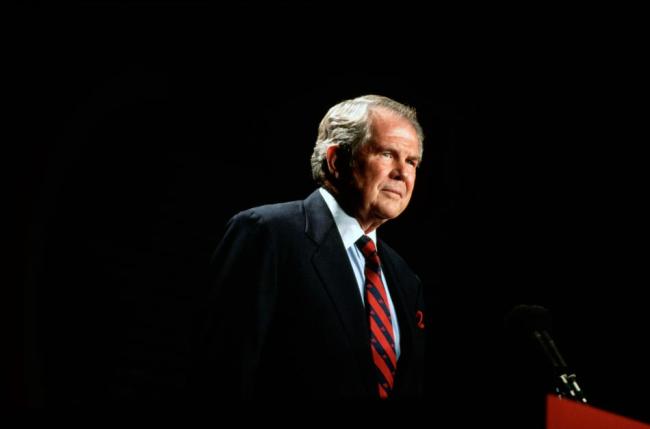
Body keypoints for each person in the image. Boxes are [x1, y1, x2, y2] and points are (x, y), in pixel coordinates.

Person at [199, 94, 426, 400]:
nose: (403, 173)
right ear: (336, 160)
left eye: (412, 161)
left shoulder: (405, 279)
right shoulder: (268, 234)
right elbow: (223, 374)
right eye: (387, 154)